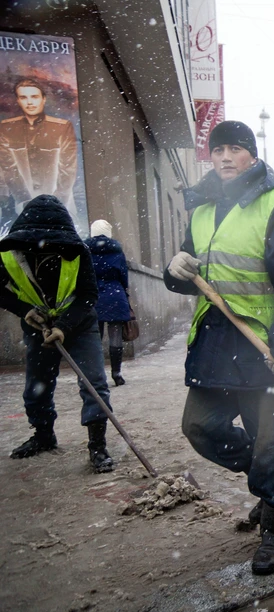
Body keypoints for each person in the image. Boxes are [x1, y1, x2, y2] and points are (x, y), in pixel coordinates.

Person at [163, 120, 274, 576]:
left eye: (235, 149)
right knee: (199, 428)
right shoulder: (202, 207)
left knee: (270, 442)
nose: (226, 158)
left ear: (252, 155)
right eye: (218, 150)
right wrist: (176, 268)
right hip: (216, 344)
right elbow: (192, 272)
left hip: (264, 347)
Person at [0, 195, 114, 472]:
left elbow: (88, 295)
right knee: (36, 385)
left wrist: (63, 326)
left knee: (94, 382)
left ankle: (97, 446)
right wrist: (25, 310)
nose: (45, 246)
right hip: (37, 326)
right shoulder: (9, 254)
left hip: (79, 323)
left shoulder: (77, 251)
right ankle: (43, 435)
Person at [0, 79, 79, 223]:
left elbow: (68, 170)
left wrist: (54, 204)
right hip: (19, 208)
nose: (29, 102)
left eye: (34, 97)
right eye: (24, 97)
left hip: (61, 208)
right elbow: (7, 168)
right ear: (18, 100)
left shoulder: (62, 127)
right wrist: (24, 200)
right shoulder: (6, 128)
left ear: (44, 99)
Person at [84, 219, 131, 386]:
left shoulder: (85, 250)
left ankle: (97, 375)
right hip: (114, 295)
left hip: (93, 296)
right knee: (115, 336)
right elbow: (123, 275)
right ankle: (117, 373)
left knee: (95, 338)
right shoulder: (117, 250)